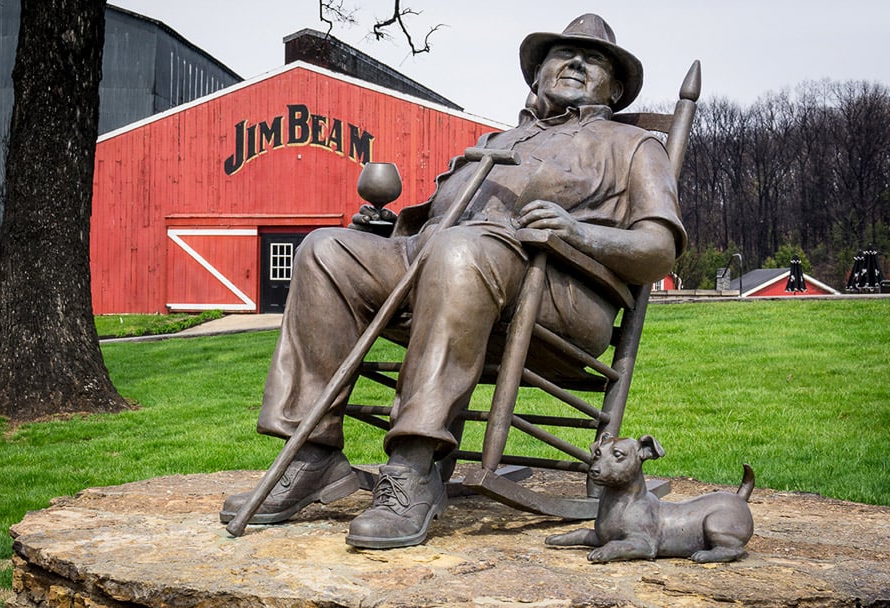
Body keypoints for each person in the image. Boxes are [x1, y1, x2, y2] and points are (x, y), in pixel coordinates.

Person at [221, 13, 686, 549]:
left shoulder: (630, 146)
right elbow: (435, 221)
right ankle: (314, 457)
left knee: (458, 250)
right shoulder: (497, 139)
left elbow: (658, 250)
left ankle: (414, 468)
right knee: (325, 249)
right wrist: (386, 232)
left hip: (555, 294)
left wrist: (577, 231)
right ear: (537, 75)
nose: (576, 63)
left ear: (618, 86)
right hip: (448, 266)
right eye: (562, 53)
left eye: (595, 59)